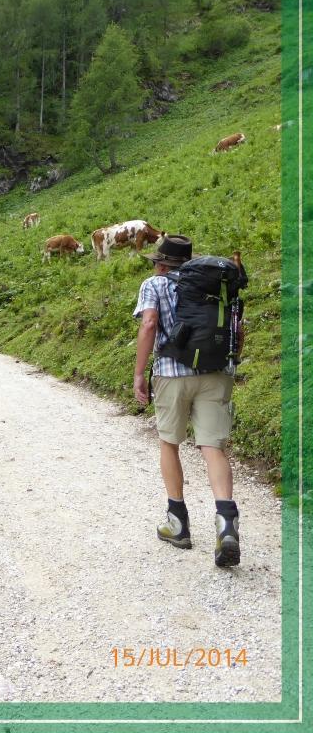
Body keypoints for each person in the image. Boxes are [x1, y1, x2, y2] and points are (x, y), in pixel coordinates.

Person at [132, 234, 240, 567]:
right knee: (213, 447)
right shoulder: (219, 285)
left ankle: (178, 524)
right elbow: (238, 329)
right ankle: (226, 524)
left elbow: (149, 324)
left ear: (161, 264)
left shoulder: (154, 284)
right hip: (216, 371)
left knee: (169, 442)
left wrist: (139, 374)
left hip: (170, 372)